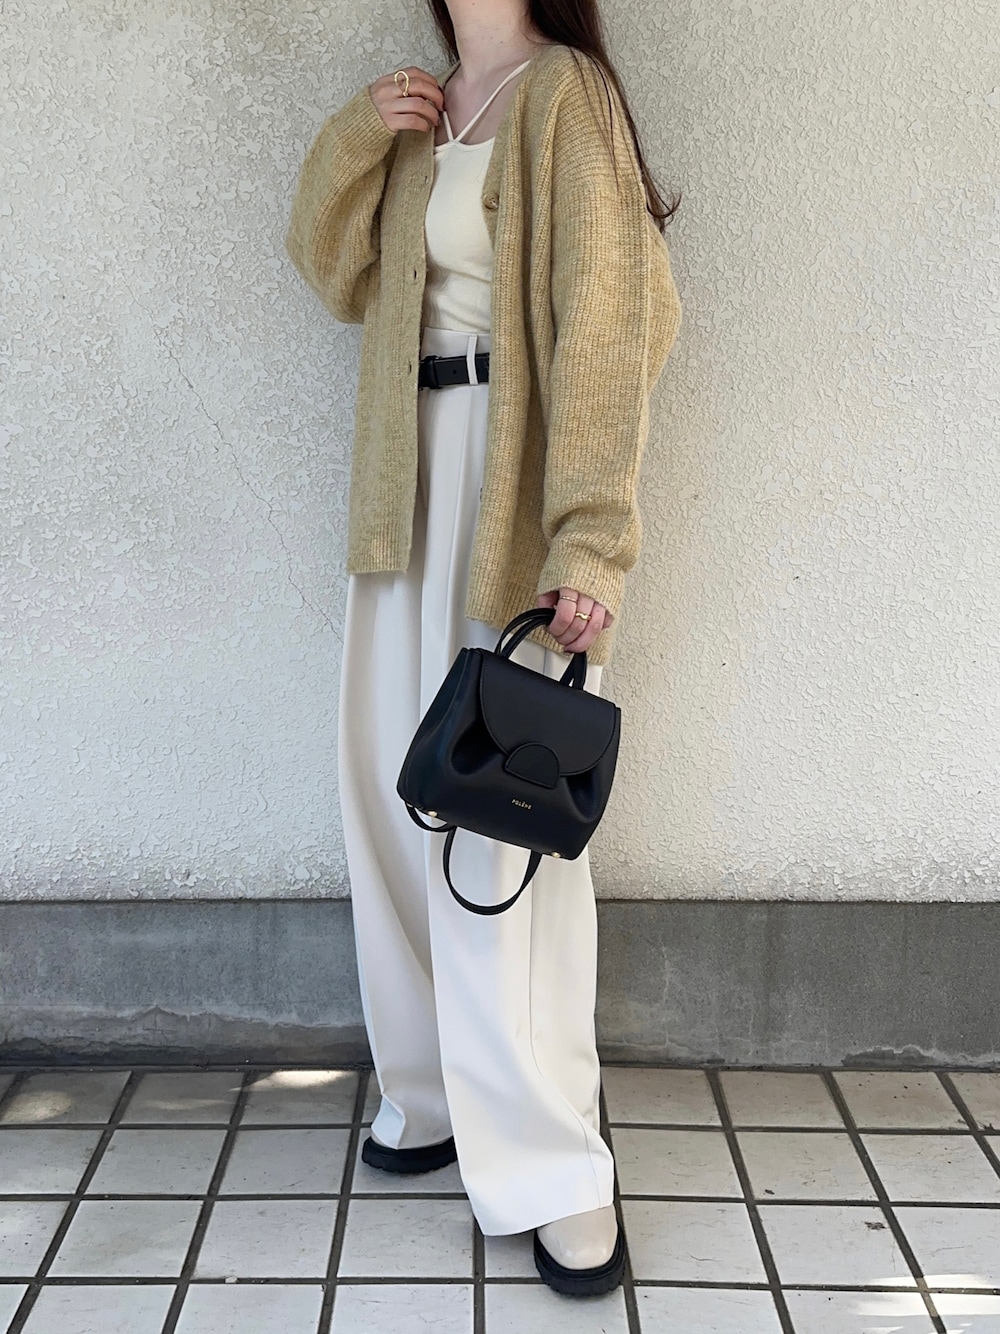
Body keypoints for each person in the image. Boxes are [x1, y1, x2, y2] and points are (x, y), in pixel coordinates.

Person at [285, 0, 682, 1298]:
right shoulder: (422, 107)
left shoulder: (568, 97)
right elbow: (330, 270)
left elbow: (615, 323)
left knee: (500, 833)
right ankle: (430, 1088)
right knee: (389, 794)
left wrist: (591, 539)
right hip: (402, 492)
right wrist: (361, 137)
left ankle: (557, 1168)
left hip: (505, 495)